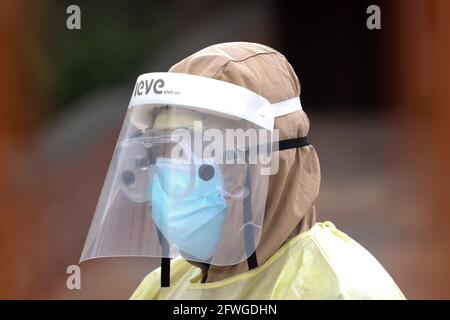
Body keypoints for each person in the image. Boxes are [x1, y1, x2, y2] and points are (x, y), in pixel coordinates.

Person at [81, 42, 405, 300]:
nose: (169, 175)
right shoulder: (161, 289)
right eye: (164, 152)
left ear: (270, 162)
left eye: (197, 151)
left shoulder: (341, 290)